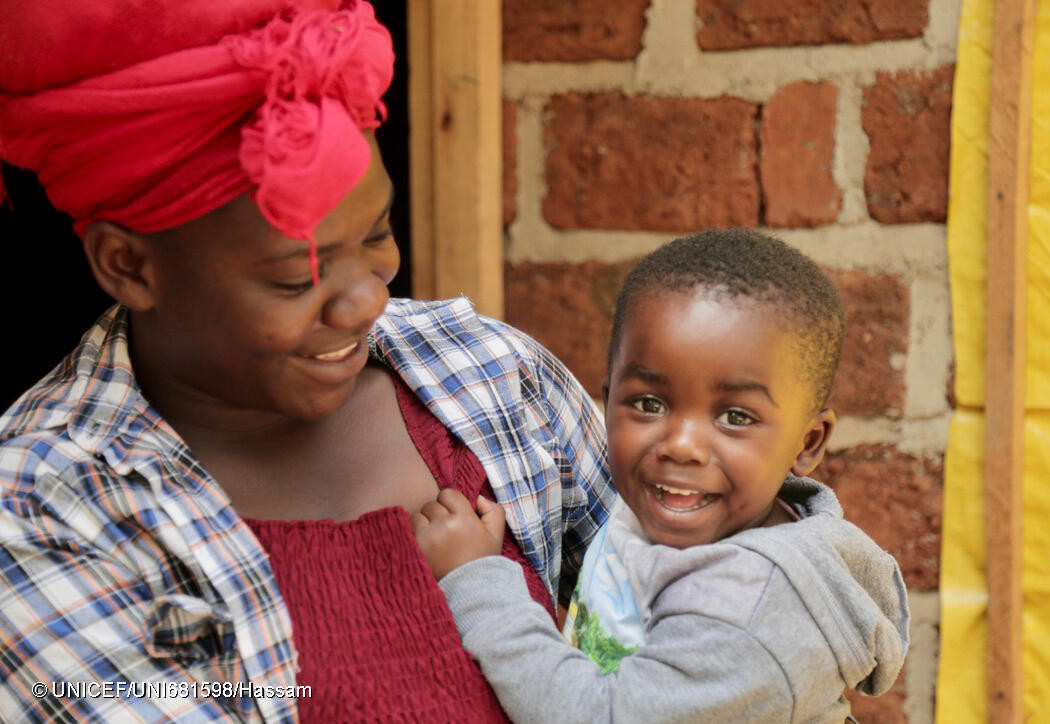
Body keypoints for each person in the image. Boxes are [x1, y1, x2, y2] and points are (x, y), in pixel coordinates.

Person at [0, 2, 613, 721]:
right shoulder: (44, 515)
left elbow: (686, 609)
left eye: (377, 234)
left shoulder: (488, 370)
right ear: (127, 265)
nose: (366, 302)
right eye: (298, 279)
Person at [412, 229, 911, 723]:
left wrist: (476, 580)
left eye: (735, 417)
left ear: (808, 444)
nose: (681, 445)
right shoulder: (669, 515)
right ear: (607, 401)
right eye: (649, 404)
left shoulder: (751, 614)